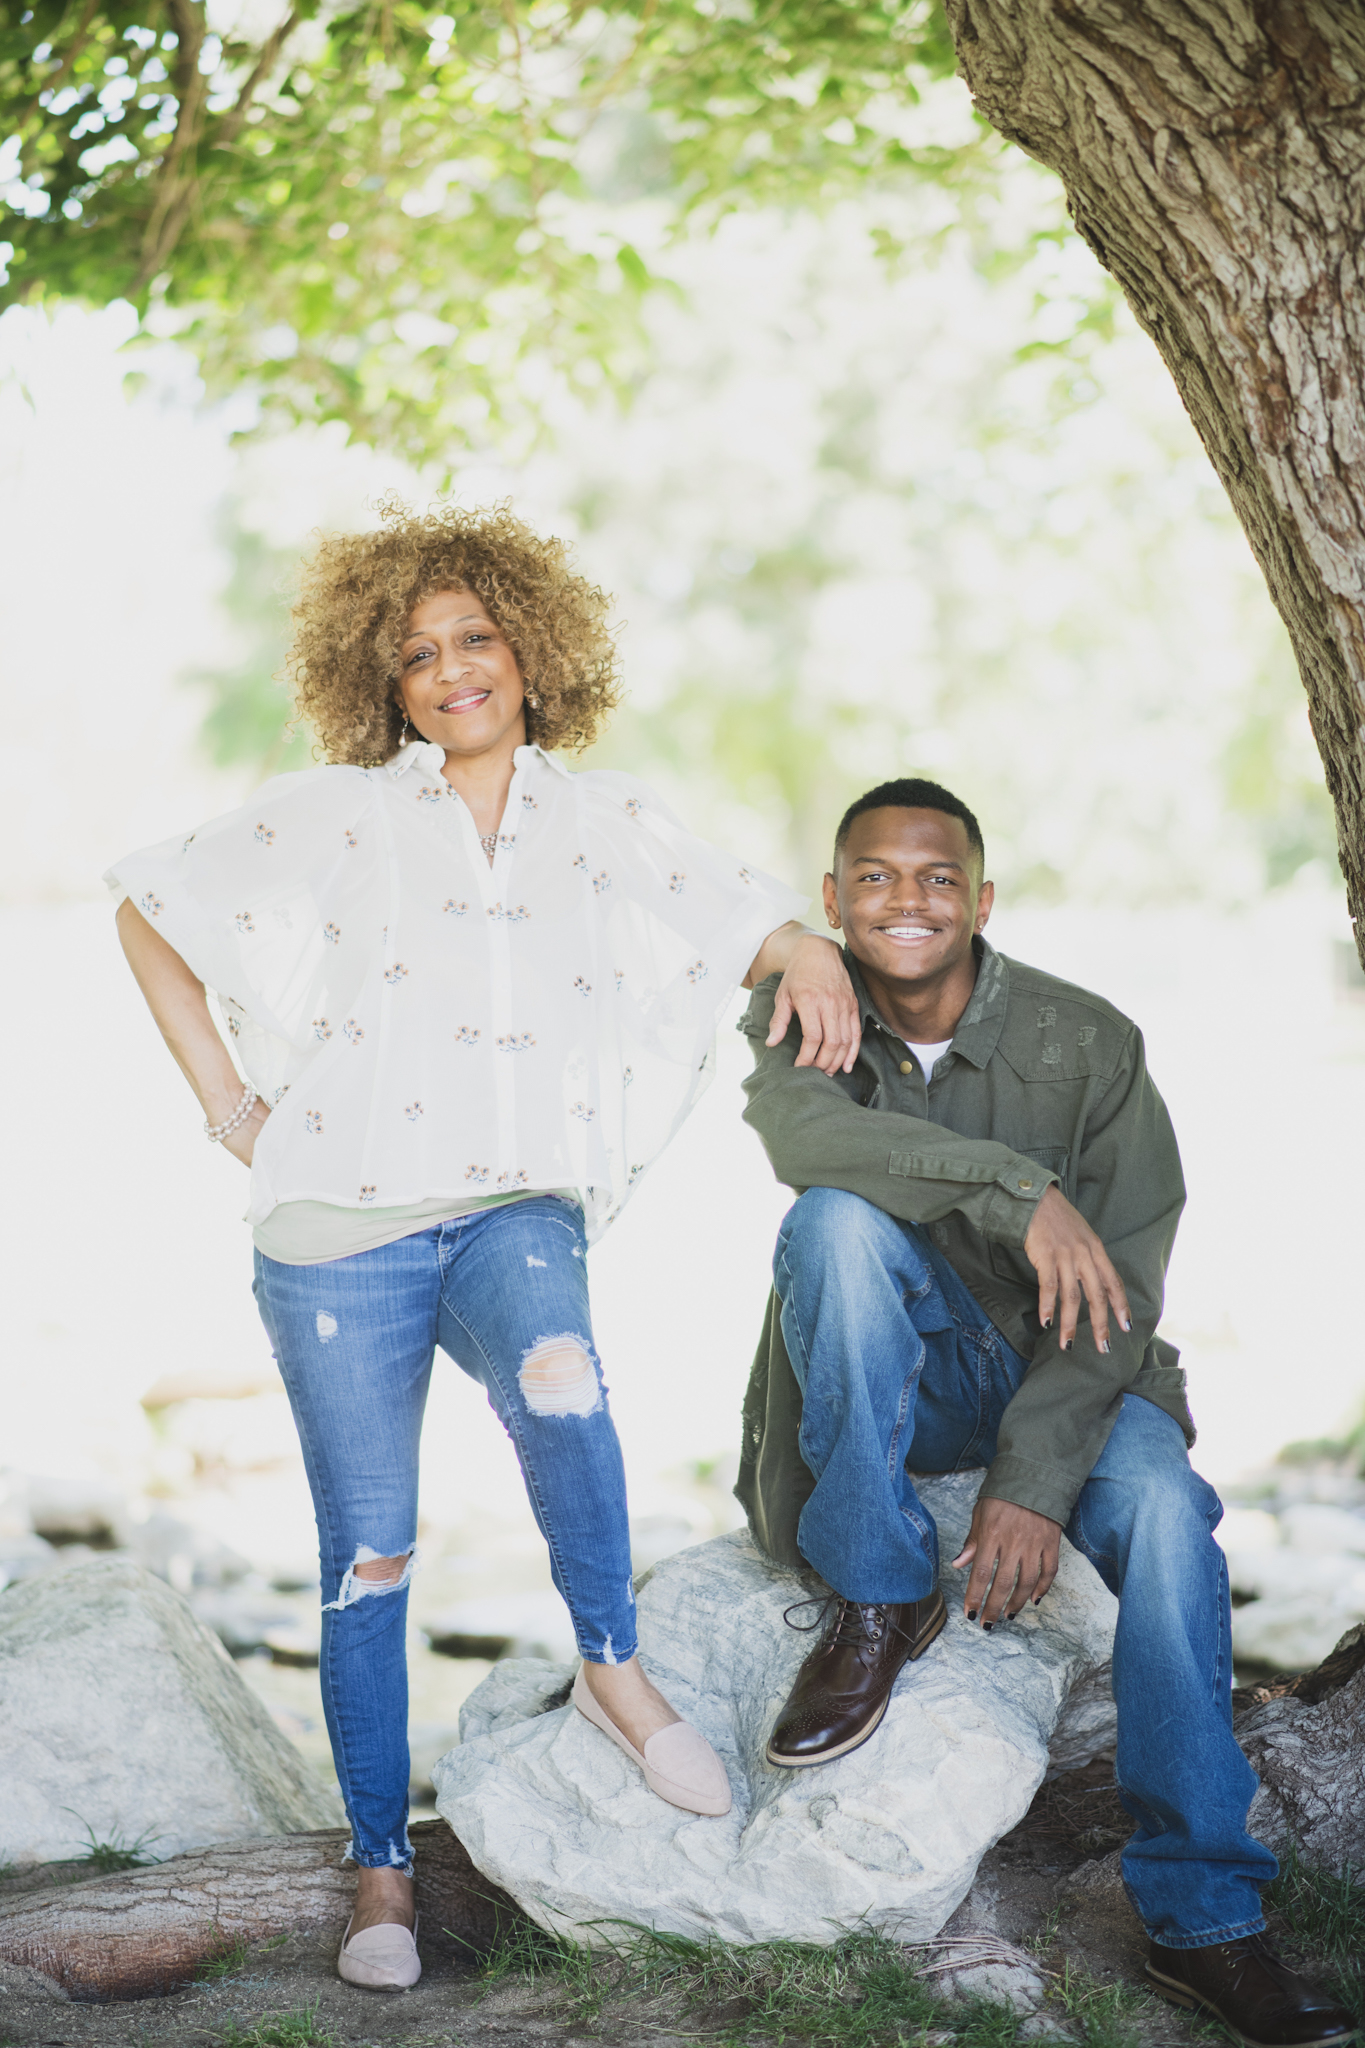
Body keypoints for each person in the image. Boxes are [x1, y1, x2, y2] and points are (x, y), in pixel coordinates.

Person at [108, 500, 859, 1992]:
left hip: (512, 1201)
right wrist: (231, 1108)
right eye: (418, 655)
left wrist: (814, 951)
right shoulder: (345, 811)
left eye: (476, 638)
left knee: (564, 1379)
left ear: (532, 649)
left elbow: (746, 917)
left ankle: (612, 1669)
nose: (452, 670)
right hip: (336, 1227)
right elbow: (148, 906)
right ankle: (381, 1872)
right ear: (384, 685)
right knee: (368, 1555)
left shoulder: (607, 816)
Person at [734, 776, 1355, 2048]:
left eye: (939, 877)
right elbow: (807, 1148)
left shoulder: (1088, 1041)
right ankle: (878, 1590)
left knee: (1170, 1519)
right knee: (831, 1224)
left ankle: (1204, 1915)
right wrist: (1017, 1187)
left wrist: (1031, 1479)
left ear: (984, 899)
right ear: (833, 899)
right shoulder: (806, 1007)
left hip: (1068, 1369)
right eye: (875, 877)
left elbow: (1120, 1292)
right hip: (902, 1372)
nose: (907, 901)